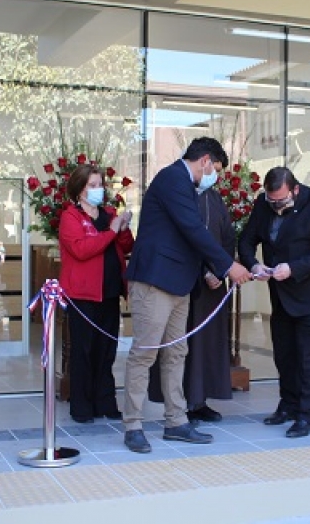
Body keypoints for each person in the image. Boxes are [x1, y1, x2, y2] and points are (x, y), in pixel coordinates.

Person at [122, 137, 251, 453]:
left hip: (180, 283)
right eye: (215, 170)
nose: (214, 177)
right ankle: (133, 425)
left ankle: (176, 421)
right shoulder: (172, 178)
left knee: (176, 352)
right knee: (146, 352)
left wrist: (215, 267)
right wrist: (228, 266)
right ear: (205, 160)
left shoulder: (187, 185)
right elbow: (193, 229)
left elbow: (192, 236)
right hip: (154, 281)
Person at [238, 166, 310, 438]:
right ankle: (288, 405)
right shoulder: (264, 204)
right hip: (281, 295)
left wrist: (293, 268)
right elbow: (247, 240)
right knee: (285, 355)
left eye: (281, 200)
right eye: (271, 201)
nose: (276, 205)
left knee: (309, 357)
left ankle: (307, 414)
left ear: (295, 189)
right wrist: (254, 264)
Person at [148, 184, 236, 423]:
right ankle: (177, 403)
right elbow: (186, 236)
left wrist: (219, 270)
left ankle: (200, 401)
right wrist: (203, 271)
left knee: (206, 345)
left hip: (213, 286)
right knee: (179, 344)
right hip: (184, 281)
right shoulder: (178, 194)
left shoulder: (215, 198)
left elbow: (227, 237)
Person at [59, 164, 134, 423]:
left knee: (106, 350)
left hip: (110, 293)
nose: (97, 190)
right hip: (83, 295)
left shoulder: (109, 213)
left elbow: (126, 246)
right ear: (80, 190)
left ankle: (105, 402)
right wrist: (112, 231)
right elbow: (81, 249)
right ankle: (82, 406)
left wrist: (123, 228)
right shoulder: (71, 217)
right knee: (83, 351)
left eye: (100, 185)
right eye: (91, 186)